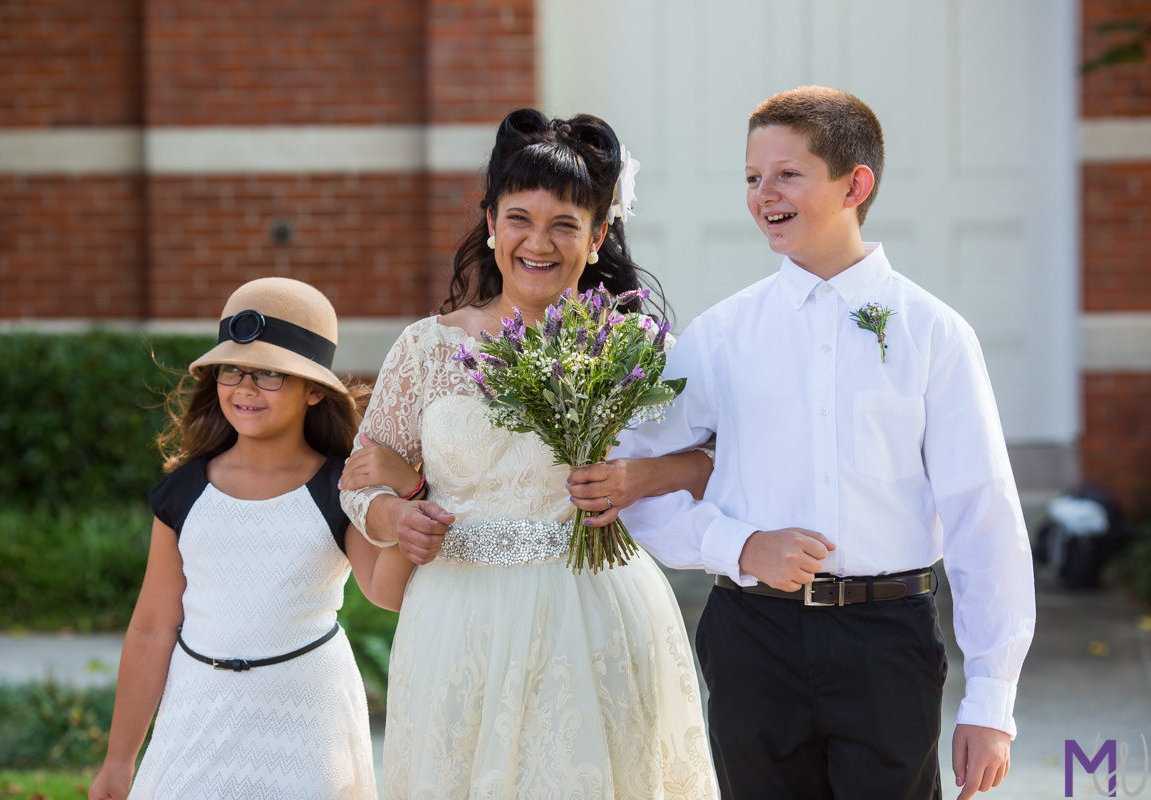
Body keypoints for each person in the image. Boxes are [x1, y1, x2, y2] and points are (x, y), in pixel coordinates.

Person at [595, 86, 1037, 800]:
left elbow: (983, 517)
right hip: (753, 639)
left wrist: (992, 701)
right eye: (750, 177)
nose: (762, 193)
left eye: (786, 174)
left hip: (887, 641)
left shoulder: (933, 334)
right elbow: (634, 476)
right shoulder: (720, 337)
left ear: (854, 184)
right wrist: (739, 547)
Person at [340, 108, 719, 799]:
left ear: (599, 235)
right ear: (490, 221)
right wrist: (400, 515)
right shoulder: (426, 348)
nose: (537, 243)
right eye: (519, 218)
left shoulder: (635, 349)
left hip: (596, 615)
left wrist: (641, 478)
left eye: (564, 225)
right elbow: (360, 482)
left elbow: (715, 462)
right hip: (459, 621)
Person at [90, 277, 422, 800]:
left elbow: (385, 591)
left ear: (314, 388)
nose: (244, 388)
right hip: (196, 713)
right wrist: (118, 759)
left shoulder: (341, 488)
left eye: (270, 373)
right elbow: (153, 627)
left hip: (309, 720)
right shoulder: (184, 491)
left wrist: (410, 507)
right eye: (232, 370)